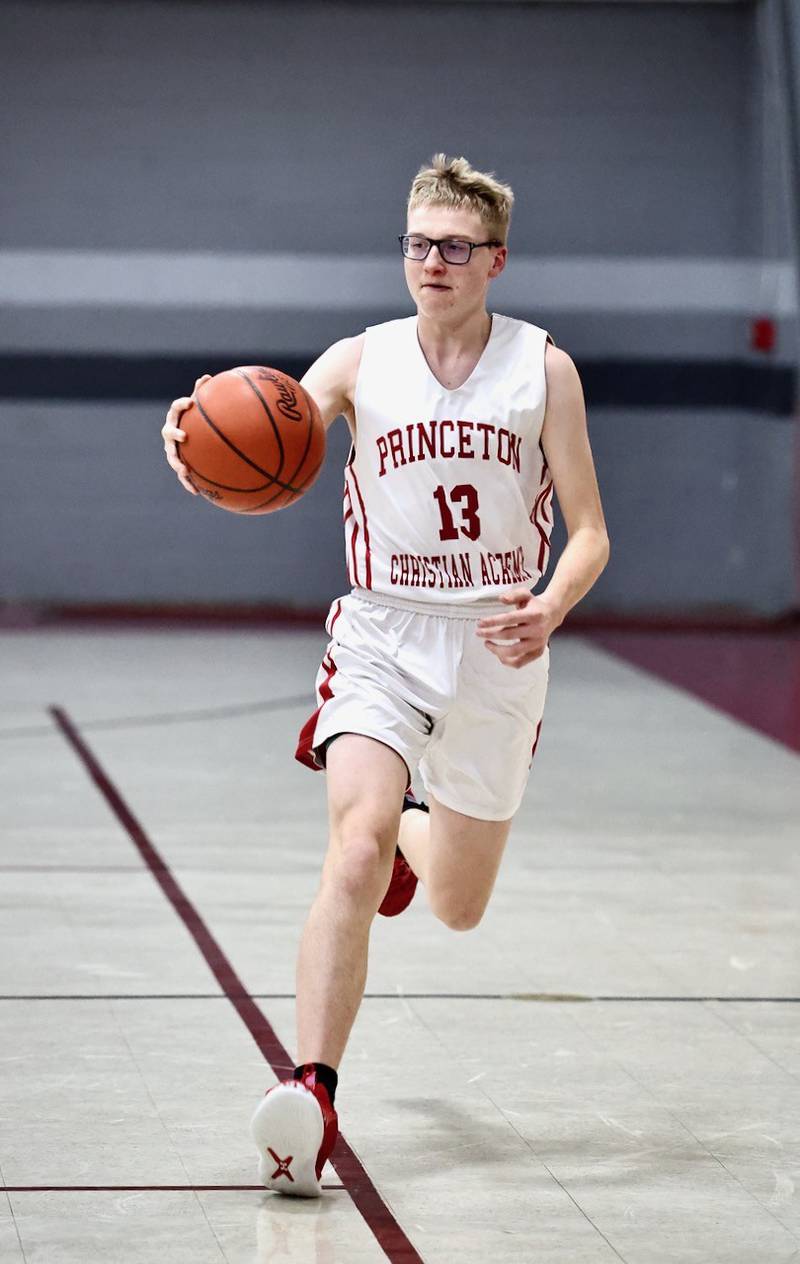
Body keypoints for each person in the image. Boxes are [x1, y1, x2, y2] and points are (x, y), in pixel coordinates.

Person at [162, 154, 610, 1198]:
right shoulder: (359, 362)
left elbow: (587, 533)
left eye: (454, 246)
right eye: (417, 244)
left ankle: (420, 844)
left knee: (454, 904)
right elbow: (273, 414)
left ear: (494, 258)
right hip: (381, 635)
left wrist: (550, 603)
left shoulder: (541, 370)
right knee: (351, 844)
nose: (432, 263)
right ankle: (310, 1093)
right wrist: (191, 435)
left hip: (496, 644)